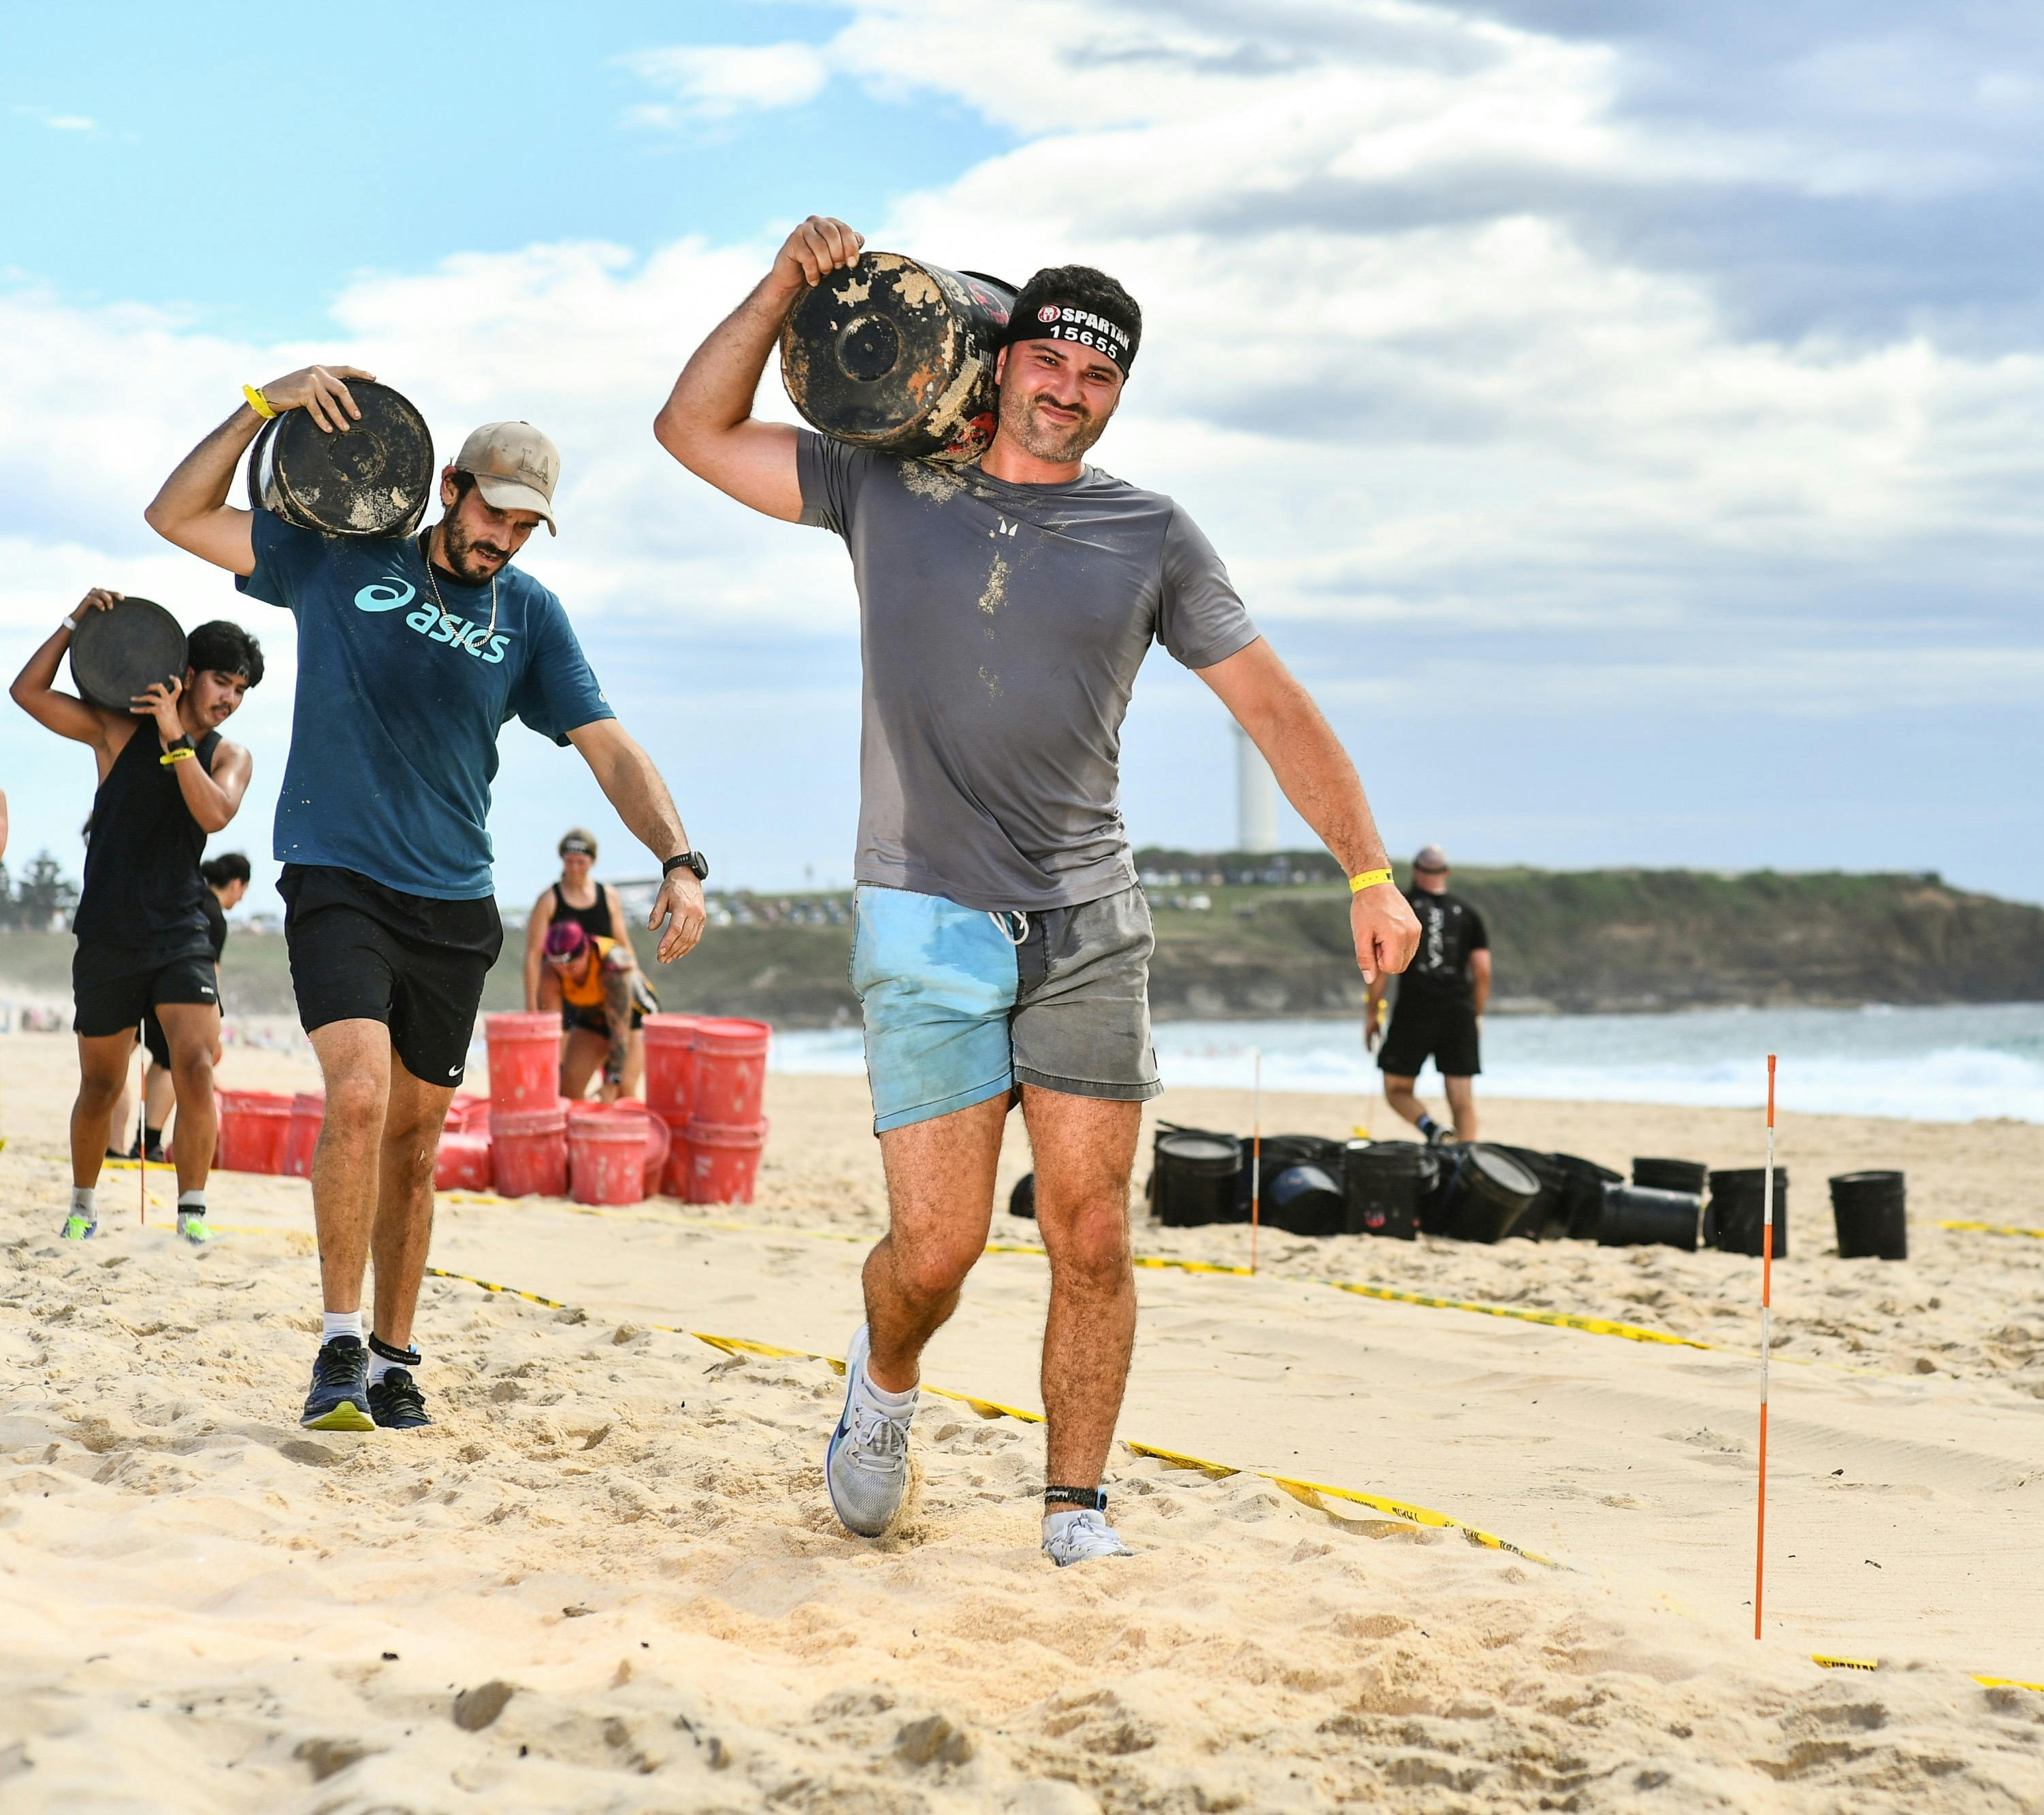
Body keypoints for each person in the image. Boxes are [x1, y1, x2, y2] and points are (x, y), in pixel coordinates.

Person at [655, 216, 1418, 1565]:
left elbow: (1273, 707)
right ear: (1000, 359)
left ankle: (1075, 1508)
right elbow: (692, 430)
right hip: (925, 916)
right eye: (1052, 361)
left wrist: (1368, 868)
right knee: (936, 1251)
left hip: (1086, 921)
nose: (1070, 389)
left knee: (1092, 1230)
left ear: (1118, 394)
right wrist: (781, 288)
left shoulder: (1151, 535)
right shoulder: (881, 486)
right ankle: (883, 1386)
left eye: (1099, 375)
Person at [145, 363, 710, 1433]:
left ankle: (395, 1356)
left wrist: (680, 856)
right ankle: (338, 1343)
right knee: (357, 1096)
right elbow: (174, 513)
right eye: (496, 513)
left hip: (455, 901)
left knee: (414, 1143)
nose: (506, 538)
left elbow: (608, 745)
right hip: (337, 874)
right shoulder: (337, 555)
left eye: (527, 526)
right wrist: (263, 406)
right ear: (451, 486)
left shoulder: (529, 614)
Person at [10, 595, 260, 1243]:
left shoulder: (229, 756)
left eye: (241, 690)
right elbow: (27, 692)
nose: (230, 699)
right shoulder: (118, 731)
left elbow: (214, 814)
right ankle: (82, 1206)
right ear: (187, 672)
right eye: (222, 682)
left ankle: (192, 1213)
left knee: (195, 1065)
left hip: (181, 930)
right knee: (101, 1082)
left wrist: (178, 739)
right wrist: (74, 623)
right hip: (109, 931)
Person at [1365, 844, 1491, 1144]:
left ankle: (1432, 1130)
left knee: (1396, 1089)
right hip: (1459, 1009)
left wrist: (1372, 1015)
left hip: (1415, 1009)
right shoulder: (1468, 913)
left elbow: (1381, 970)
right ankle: (1466, 1157)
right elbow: (1483, 971)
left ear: (1415, 871)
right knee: (1462, 1099)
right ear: (1446, 872)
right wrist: (1477, 1014)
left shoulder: (1401, 909)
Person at [138, 853, 254, 1163]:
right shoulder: (214, 915)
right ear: (237, 883)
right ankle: (150, 1141)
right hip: (183, 993)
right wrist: (214, 1018)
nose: (242, 898)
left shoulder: (190, 898)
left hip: (149, 984)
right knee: (172, 1063)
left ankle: (141, 1139)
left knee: (160, 1059)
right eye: (244, 891)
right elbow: (209, 972)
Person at [522, 828, 649, 1094]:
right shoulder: (549, 899)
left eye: (581, 861)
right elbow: (534, 955)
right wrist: (533, 1006)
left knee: (622, 1080)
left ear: (592, 861)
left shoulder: (608, 896)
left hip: (608, 984)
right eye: (569, 861)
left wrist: (634, 979)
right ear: (562, 860)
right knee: (564, 1072)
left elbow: (623, 943)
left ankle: (610, 1086)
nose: (575, 868)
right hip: (568, 991)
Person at [534, 919, 653, 1100]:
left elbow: (620, 1028)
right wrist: (549, 1073)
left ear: (586, 953)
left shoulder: (614, 964)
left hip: (633, 1016)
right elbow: (551, 1028)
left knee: (623, 1091)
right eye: (559, 968)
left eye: (571, 967)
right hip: (593, 1014)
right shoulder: (551, 970)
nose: (565, 973)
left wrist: (612, 1080)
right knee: (568, 1089)